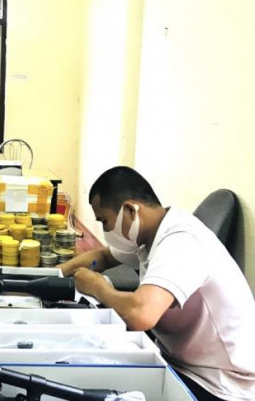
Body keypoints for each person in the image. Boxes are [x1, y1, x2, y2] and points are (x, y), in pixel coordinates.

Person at [58, 166, 255, 401]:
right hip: (179, 360)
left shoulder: (181, 243)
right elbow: (103, 257)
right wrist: (56, 274)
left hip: (219, 384)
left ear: (130, 210)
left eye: (105, 221)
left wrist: (98, 287)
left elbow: (141, 315)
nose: (106, 230)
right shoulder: (149, 236)